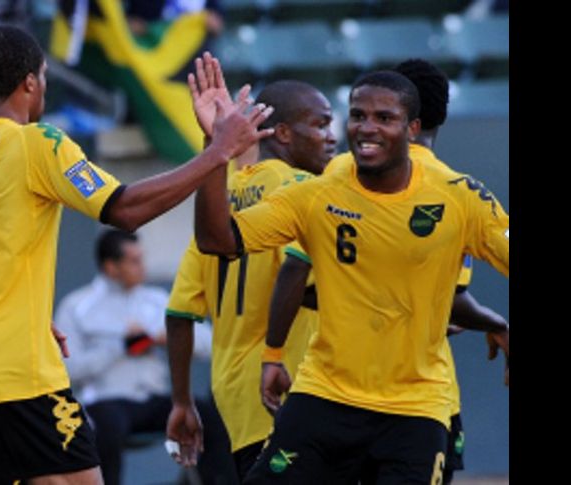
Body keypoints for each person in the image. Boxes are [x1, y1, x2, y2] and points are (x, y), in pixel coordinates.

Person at [0, 26, 271, 484]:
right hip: (17, 376)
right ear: (30, 83)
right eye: (43, 77)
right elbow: (125, 209)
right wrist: (218, 152)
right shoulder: (38, 143)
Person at [194, 67, 509, 483]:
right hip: (325, 396)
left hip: (415, 407)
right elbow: (218, 240)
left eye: (384, 118)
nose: (367, 128)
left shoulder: (460, 197)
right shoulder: (321, 189)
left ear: (412, 129)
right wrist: (215, 151)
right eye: (358, 115)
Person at [166, 53, 336, 480]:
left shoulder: (216, 206)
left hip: (233, 397)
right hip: (290, 384)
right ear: (281, 133)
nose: (332, 138)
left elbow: (180, 313)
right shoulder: (305, 191)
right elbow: (303, 278)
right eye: (320, 125)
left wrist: (182, 401)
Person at [56, 229, 232, 485]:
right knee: (106, 428)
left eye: (142, 259)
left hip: (153, 399)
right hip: (106, 402)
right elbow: (67, 370)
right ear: (111, 266)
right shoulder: (77, 306)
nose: (143, 267)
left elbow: (209, 342)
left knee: (207, 416)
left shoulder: (157, 300)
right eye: (134, 261)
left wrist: (170, 338)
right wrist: (120, 347)